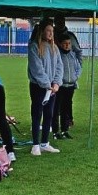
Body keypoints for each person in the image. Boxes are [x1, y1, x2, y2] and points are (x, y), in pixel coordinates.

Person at [27, 21, 64, 156]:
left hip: (52, 88)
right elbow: (37, 69)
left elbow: (60, 67)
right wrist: (47, 84)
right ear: (41, 31)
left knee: (49, 114)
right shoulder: (34, 47)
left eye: (52, 31)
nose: (50, 33)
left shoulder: (54, 48)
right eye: (48, 30)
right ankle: (35, 145)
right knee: (37, 114)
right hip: (38, 87)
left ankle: (44, 143)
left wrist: (56, 83)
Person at [54, 34, 82, 139]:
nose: (67, 45)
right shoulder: (58, 55)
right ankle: (56, 131)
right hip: (60, 86)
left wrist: (76, 77)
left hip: (70, 85)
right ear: (60, 44)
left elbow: (78, 67)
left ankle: (65, 130)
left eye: (69, 43)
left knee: (66, 109)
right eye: (65, 44)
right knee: (56, 109)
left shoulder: (72, 55)